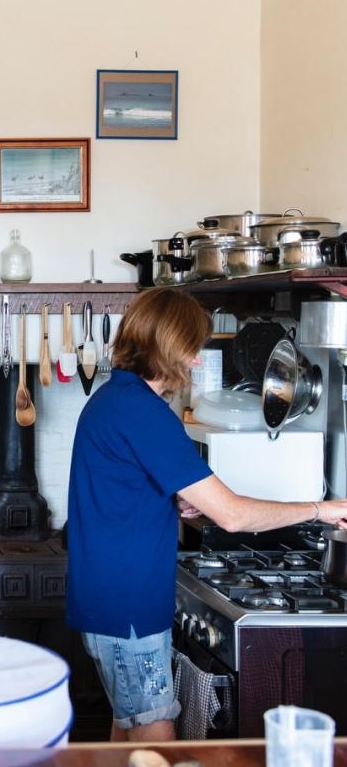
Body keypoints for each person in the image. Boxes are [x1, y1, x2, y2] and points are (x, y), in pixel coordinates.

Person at [66, 287, 347, 743]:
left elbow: (122, 489)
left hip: (111, 601)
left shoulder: (115, 400)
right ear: (168, 347)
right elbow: (232, 515)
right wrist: (322, 509)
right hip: (128, 610)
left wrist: (172, 499)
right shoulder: (144, 413)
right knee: (156, 740)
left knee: (127, 733)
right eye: (192, 348)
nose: (197, 361)